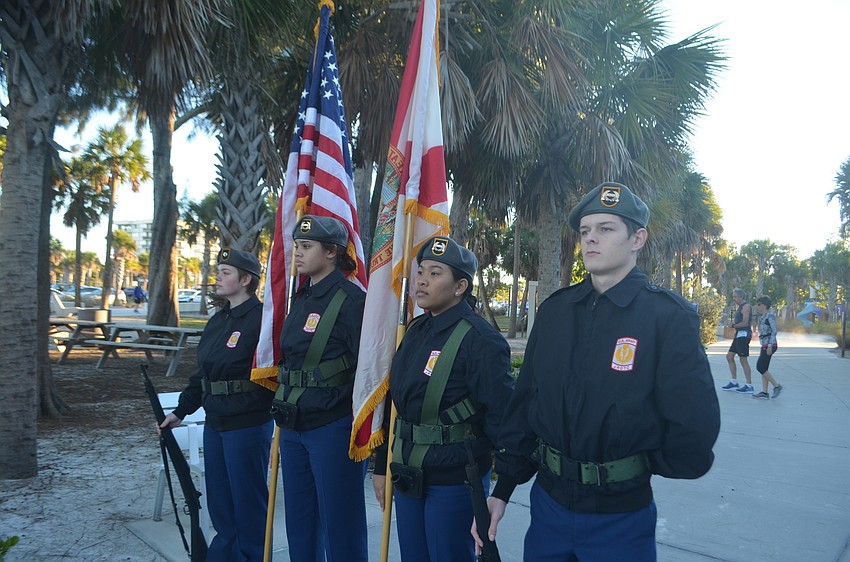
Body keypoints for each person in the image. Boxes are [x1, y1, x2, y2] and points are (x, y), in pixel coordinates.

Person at [476, 182, 720, 561]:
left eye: (605, 229)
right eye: (586, 231)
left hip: (620, 516)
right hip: (550, 507)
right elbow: (525, 405)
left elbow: (694, 422)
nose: (591, 239)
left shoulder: (666, 317)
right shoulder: (556, 312)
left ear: (638, 238)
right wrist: (502, 490)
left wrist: (634, 466)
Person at [372, 236, 515, 562]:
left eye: (435, 273)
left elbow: (503, 417)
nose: (421, 279)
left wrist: (504, 486)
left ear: (460, 285)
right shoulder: (414, 331)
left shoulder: (481, 341)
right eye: (421, 271)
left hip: (453, 481)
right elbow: (396, 406)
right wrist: (382, 465)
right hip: (408, 473)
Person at [159, 247, 273, 562]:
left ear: (246, 279)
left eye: (225, 273)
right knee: (220, 504)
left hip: (247, 425)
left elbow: (274, 373)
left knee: (247, 503)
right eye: (219, 271)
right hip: (217, 424)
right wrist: (180, 412)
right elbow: (203, 375)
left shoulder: (264, 320)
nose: (217, 278)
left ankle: (251, 556)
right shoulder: (218, 320)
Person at [271, 215, 368, 562]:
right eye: (297, 245)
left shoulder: (352, 301)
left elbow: (367, 369)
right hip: (294, 426)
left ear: (331, 253)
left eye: (306, 247)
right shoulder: (302, 298)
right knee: (300, 520)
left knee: (340, 523)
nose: (297, 252)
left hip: (331, 426)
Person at [722, 288, 755, 393]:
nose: (734, 298)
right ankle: (734, 382)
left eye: (735, 296)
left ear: (741, 297)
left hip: (744, 335)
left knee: (743, 359)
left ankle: (749, 385)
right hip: (738, 335)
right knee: (729, 356)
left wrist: (733, 325)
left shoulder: (746, 307)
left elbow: (745, 323)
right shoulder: (739, 307)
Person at [753, 296, 783, 399]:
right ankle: (764, 392)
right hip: (764, 344)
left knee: (760, 367)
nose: (757, 307)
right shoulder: (763, 316)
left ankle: (776, 386)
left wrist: (770, 345)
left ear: (764, 305)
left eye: (759, 304)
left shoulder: (770, 315)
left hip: (770, 345)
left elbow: (774, 331)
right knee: (764, 368)